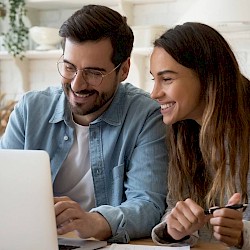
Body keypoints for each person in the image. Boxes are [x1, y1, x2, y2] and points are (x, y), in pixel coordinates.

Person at [0, 5, 168, 243]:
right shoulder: (30, 110)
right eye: (69, 67)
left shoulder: (145, 117)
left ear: (124, 70)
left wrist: (94, 222)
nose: (77, 85)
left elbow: (148, 205)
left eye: (93, 72)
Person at [150, 22, 250, 249]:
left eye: (166, 79)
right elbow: (174, 206)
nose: (154, 93)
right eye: (153, 79)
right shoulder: (183, 131)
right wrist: (174, 229)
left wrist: (244, 234)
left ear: (207, 77)